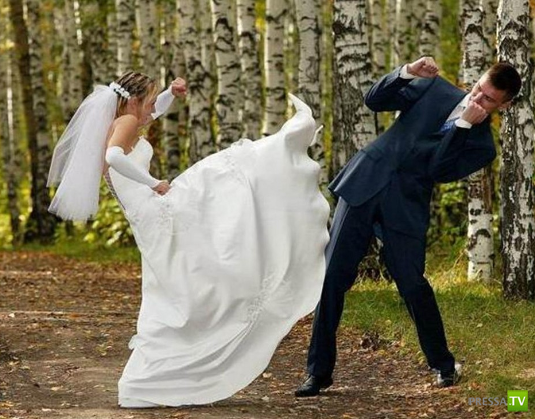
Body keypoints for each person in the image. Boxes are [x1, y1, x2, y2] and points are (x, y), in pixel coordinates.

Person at [47, 72, 330, 407]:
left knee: (178, 280)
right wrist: (153, 183)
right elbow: (114, 157)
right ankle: (279, 168)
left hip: (147, 214)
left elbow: (153, 114)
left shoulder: (122, 118)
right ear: (133, 101)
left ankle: (149, 379)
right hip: (154, 208)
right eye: (149, 100)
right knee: (223, 180)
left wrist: (170, 93)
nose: (152, 107)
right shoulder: (125, 121)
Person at [295, 57, 522, 397]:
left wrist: (463, 125)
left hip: (406, 204)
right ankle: (317, 372)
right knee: (332, 277)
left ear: (503, 106)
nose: (478, 98)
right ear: (477, 79)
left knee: (413, 285)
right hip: (366, 180)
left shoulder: (482, 146)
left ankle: (443, 365)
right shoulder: (434, 88)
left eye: (489, 99)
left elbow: (438, 170)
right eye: (479, 88)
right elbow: (374, 101)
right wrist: (407, 73)